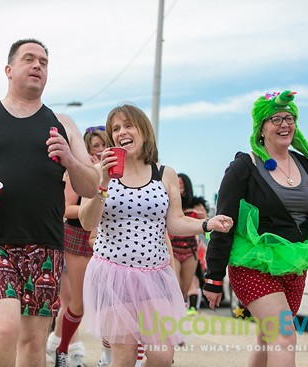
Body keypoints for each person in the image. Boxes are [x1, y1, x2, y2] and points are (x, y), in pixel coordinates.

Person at [0, 38, 99, 367]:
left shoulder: (63, 124)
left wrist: (69, 158)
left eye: (44, 61)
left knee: (33, 341)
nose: (38, 65)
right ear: (9, 70)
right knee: (4, 329)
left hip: (45, 244)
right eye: (29, 59)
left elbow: (92, 185)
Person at [79, 104, 232, 367]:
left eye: (128, 125)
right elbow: (86, 221)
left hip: (155, 275)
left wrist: (207, 224)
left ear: (144, 131)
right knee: (124, 358)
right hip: (113, 275)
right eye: (115, 129)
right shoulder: (98, 172)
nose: (121, 132)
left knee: (162, 356)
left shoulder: (164, 173)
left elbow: (175, 223)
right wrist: (102, 183)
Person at [203, 90, 308, 367]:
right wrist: (214, 277)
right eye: (275, 118)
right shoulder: (244, 166)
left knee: (269, 338)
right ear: (261, 128)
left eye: (289, 118)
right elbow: (223, 223)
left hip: (295, 263)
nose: (284, 124)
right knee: (284, 334)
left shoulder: (307, 165)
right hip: (253, 262)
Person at [46, 126, 108, 367]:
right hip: (77, 237)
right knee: (78, 303)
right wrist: (90, 207)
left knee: (108, 302)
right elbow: (65, 209)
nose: (101, 150)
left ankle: (109, 355)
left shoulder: (119, 171)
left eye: (105, 144)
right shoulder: (78, 172)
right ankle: (62, 350)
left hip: (107, 238)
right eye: (96, 146)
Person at [168, 173, 202, 316]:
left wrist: (202, 220)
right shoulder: (169, 202)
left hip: (190, 251)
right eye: (178, 185)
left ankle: (181, 310)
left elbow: (206, 225)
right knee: (173, 285)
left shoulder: (197, 205)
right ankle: (173, 313)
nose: (180, 188)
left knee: (185, 288)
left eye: (182, 185)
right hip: (173, 248)